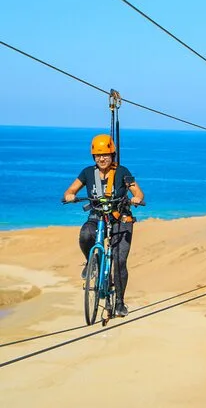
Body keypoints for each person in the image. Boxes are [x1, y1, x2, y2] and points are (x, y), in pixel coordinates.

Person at [63, 134, 144, 317]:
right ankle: (91, 263)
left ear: (112, 155)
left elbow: (137, 191)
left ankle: (119, 303)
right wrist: (70, 195)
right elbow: (71, 189)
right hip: (97, 216)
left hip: (120, 218)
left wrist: (137, 198)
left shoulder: (122, 172)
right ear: (93, 157)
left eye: (105, 155)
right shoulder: (87, 173)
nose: (101, 159)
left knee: (119, 261)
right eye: (98, 155)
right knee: (86, 235)